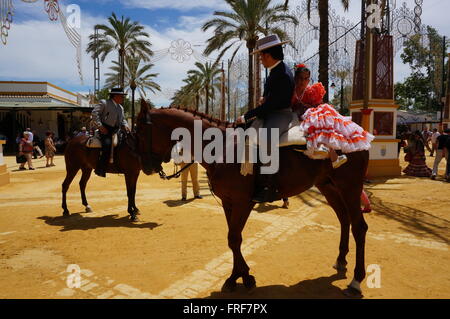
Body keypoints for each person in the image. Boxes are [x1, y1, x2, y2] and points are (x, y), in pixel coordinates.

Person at [235, 34, 295, 203]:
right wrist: (264, 97)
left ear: (268, 55)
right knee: (246, 134)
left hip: (281, 114)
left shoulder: (282, 73)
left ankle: (271, 186)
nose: (260, 59)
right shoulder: (275, 71)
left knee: (267, 138)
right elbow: (270, 97)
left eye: (261, 55)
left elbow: (273, 105)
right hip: (272, 111)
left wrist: (246, 116)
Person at [299, 82, 374, 167]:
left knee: (323, 128)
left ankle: (324, 149)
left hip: (312, 112)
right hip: (316, 111)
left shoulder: (312, 106)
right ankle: (330, 154)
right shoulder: (321, 107)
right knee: (327, 128)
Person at [91, 87, 130, 177]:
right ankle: (100, 169)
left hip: (117, 130)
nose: (123, 98)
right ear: (115, 96)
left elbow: (123, 119)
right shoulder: (104, 103)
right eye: (122, 96)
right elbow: (94, 113)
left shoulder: (121, 108)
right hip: (105, 130)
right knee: (107, 145)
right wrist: (100, 126)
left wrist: (126, 126)